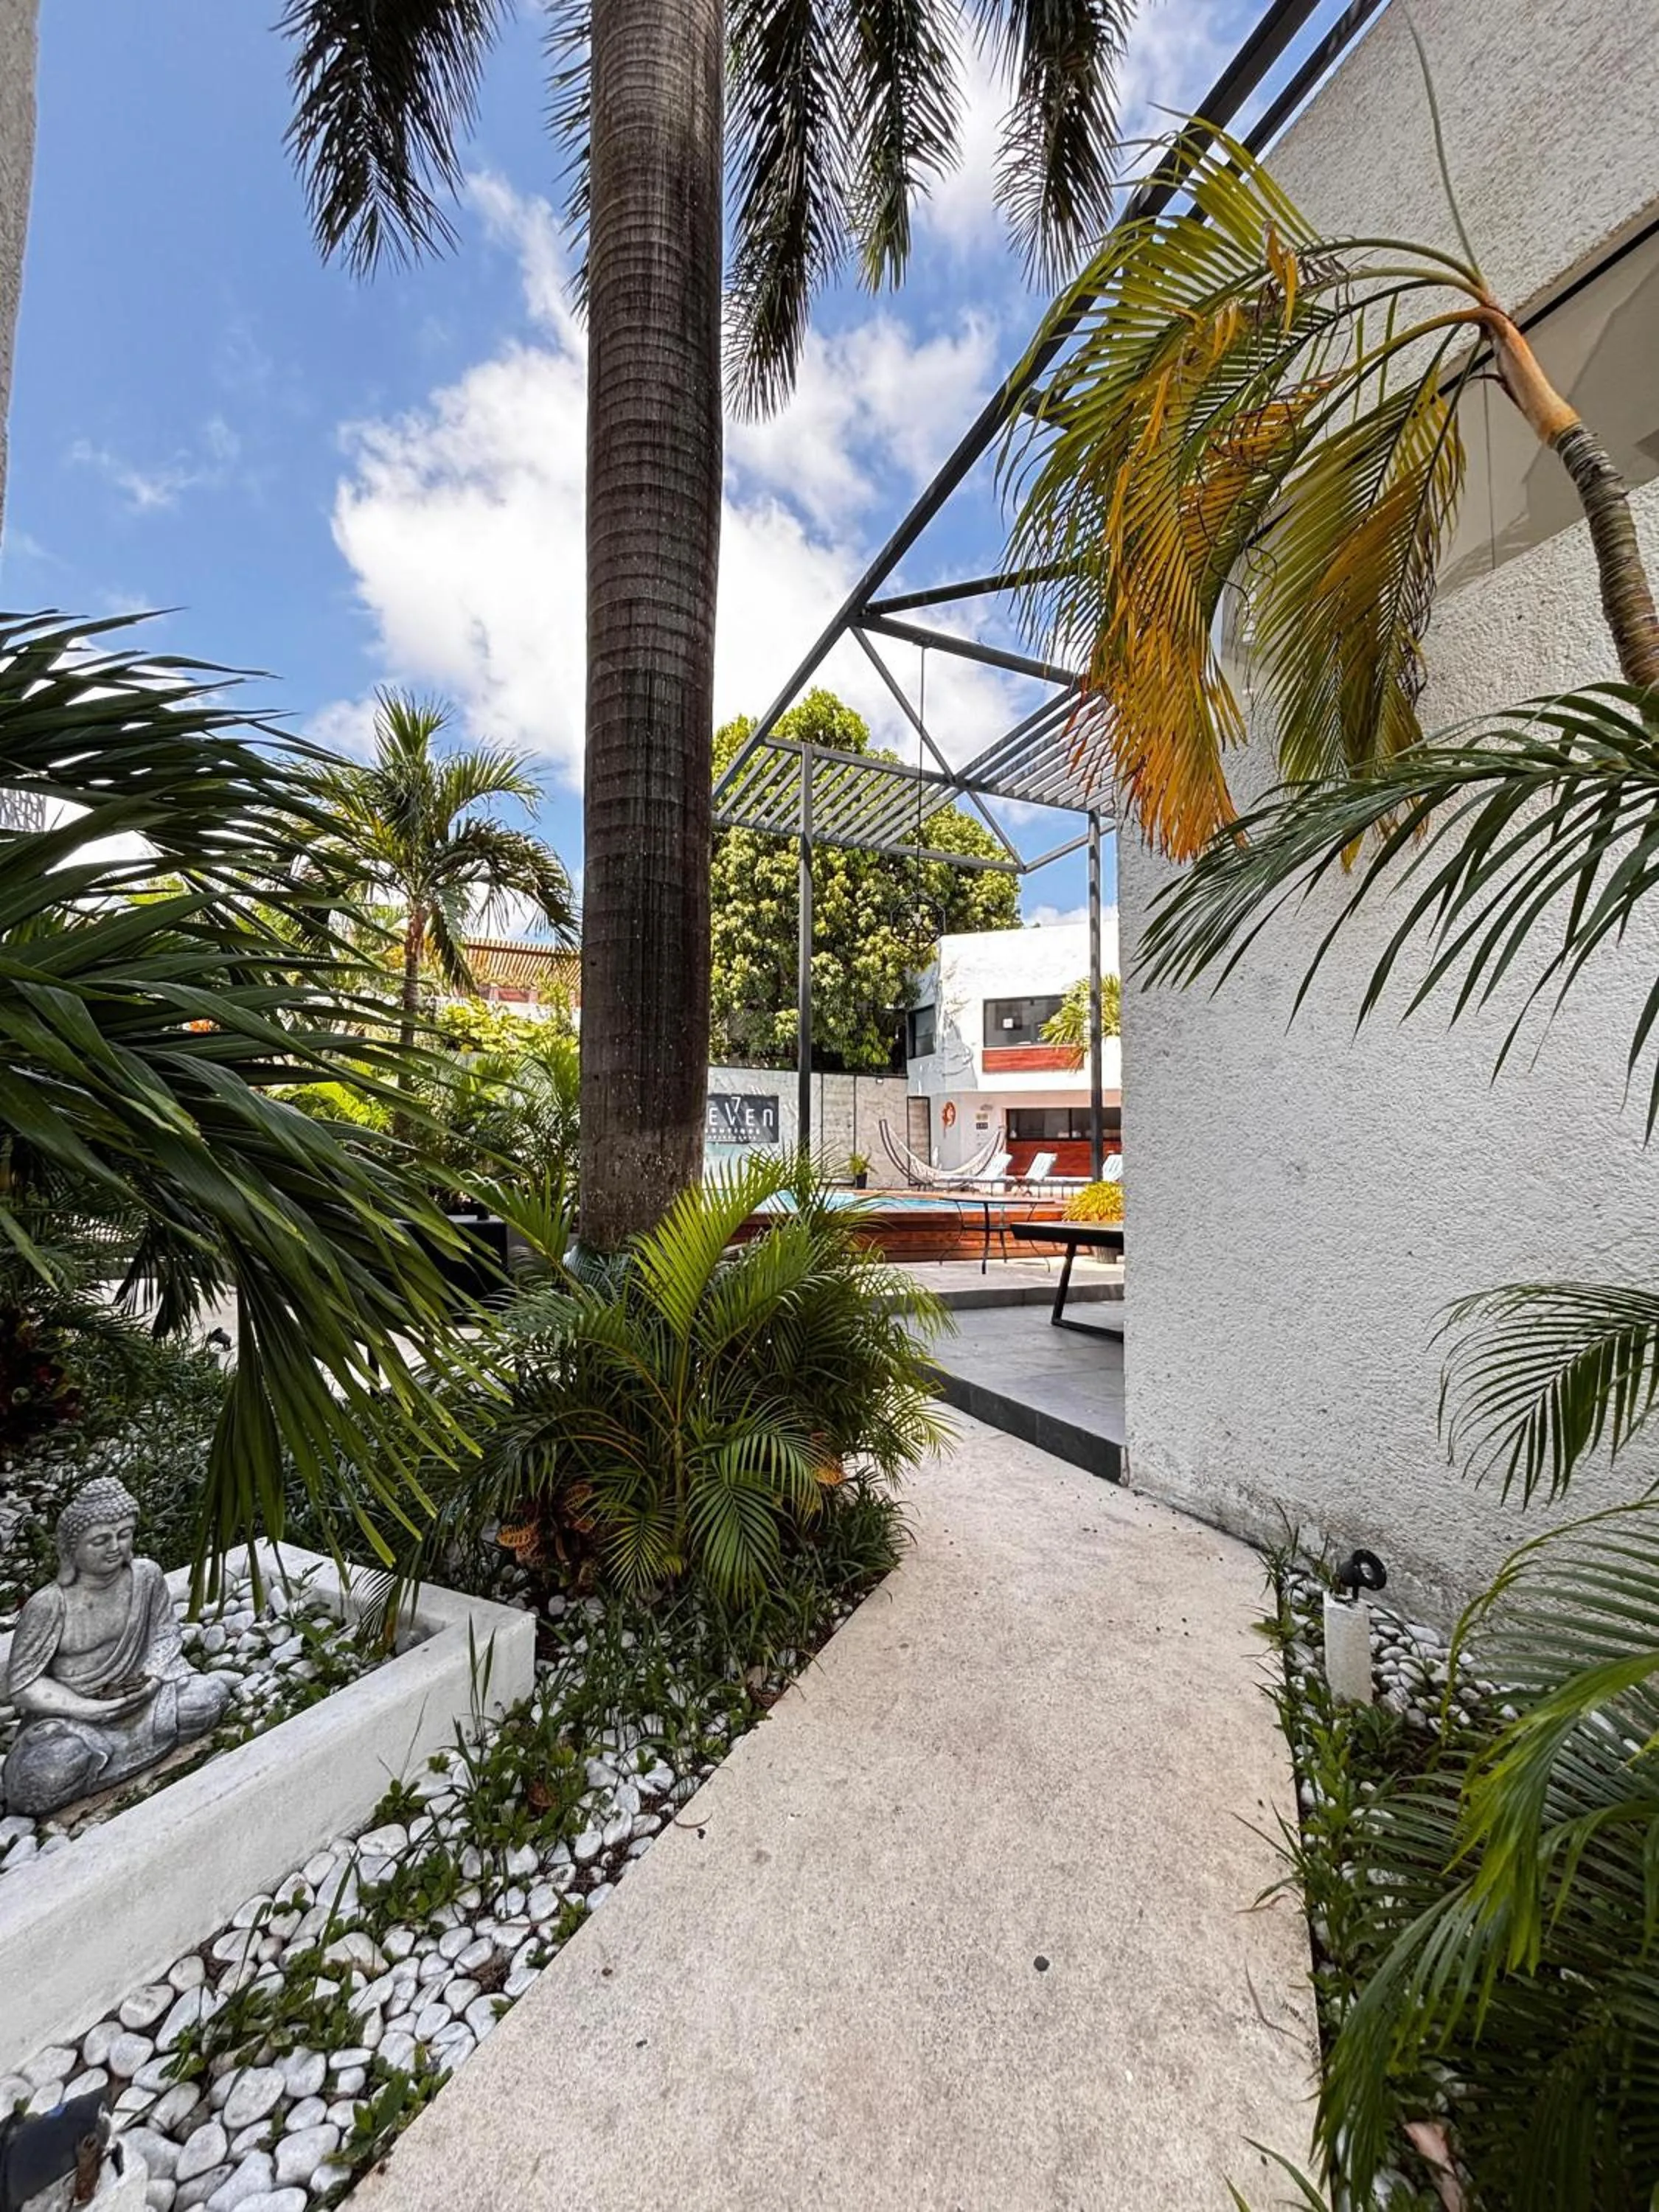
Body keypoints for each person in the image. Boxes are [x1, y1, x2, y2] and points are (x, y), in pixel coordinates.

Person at [1, 1476, 231, 1818]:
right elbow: (24, 1685)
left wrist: (152, 1678)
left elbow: (165, 1634)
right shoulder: (51, 1604)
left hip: (144, 1702)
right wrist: (87, 1709)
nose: (115, 1547)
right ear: (71, 1548)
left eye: (124, 1535)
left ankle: (110, 1763)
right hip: (76, 1720)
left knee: (208, 1697)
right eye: (100, 1540)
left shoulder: (146, 1577)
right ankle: (106, 1758)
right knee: (38, 1780)